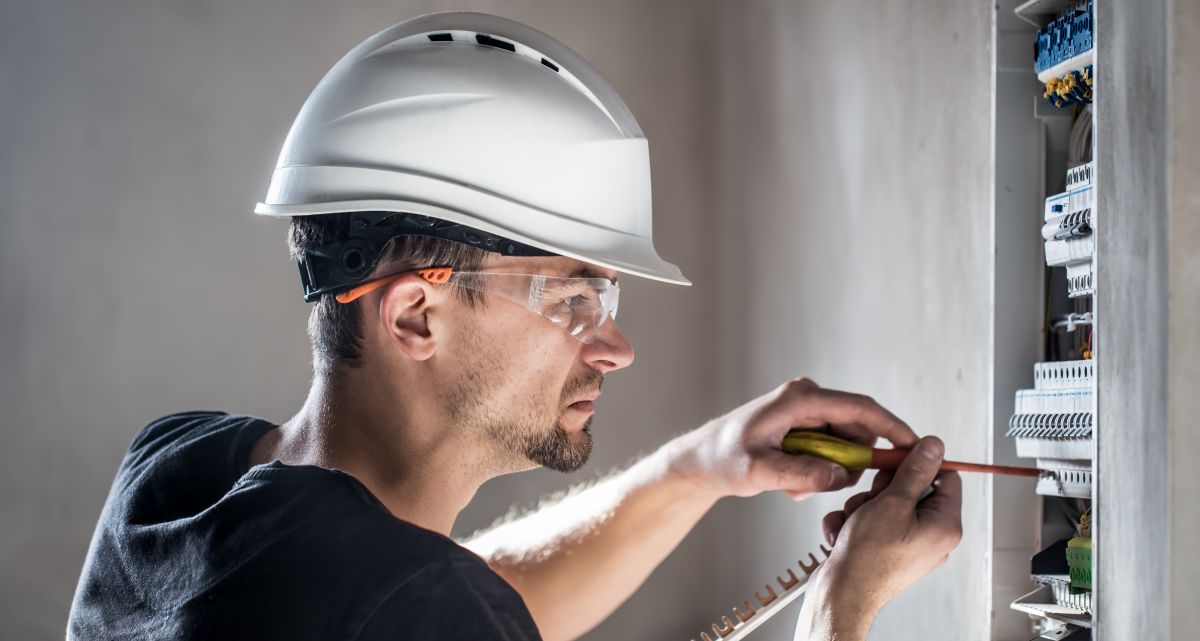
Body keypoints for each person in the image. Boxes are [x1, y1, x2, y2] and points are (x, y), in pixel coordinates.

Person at [67, 12, 961, 641]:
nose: (615, 347)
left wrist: (700, 466)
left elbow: (459, 596)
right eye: (572, 300)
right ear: (417, 312)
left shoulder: (174, 472)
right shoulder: (411, 602)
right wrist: (844, 612)